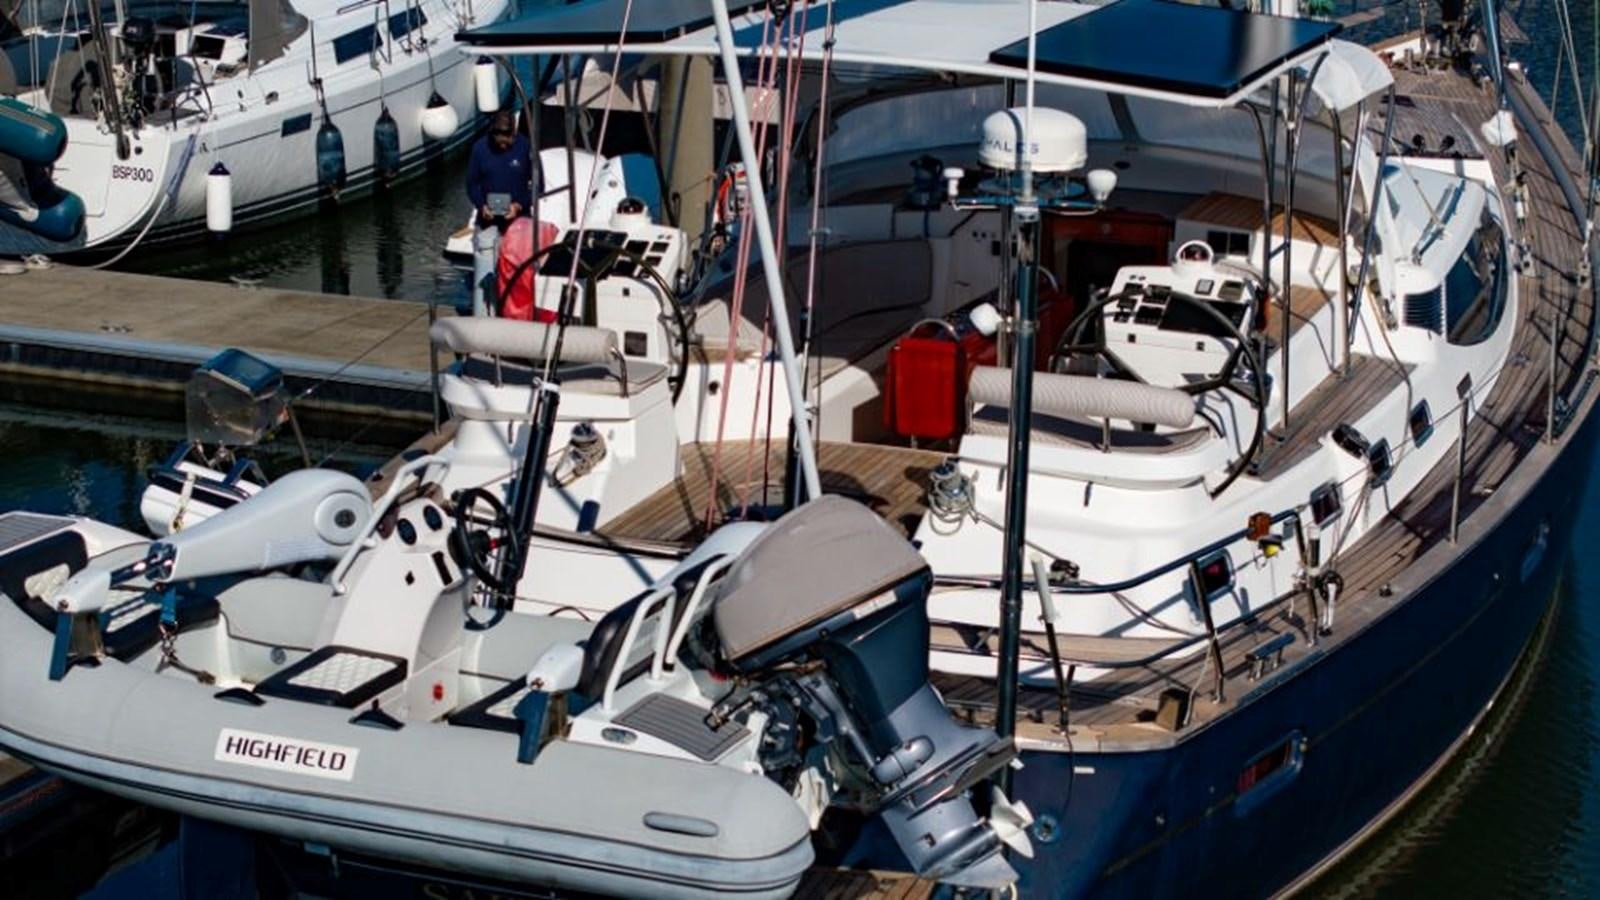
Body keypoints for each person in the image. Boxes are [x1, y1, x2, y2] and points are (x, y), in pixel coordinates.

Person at [466, 110, 534, 315]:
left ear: (514, 133)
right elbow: (471, 184)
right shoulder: (479, 149)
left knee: (518, 272)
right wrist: (481, 205)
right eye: (500, 138)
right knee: (485, 267)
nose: (504, 142)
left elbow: (537, 185)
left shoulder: (526, 148)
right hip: (488, 220)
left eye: (509, 138)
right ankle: (486, 311)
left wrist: (518, 205)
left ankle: (515, 313)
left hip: (518, 220)